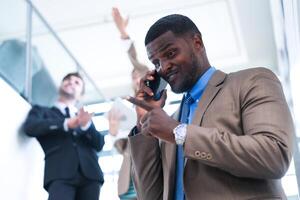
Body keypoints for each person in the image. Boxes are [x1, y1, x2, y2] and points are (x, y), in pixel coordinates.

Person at [126, 14, 295, 200]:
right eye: (156, 63)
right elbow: (150, 196)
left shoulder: (252, 81)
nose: (163, 67)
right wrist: (143, 123)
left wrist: (180, 133)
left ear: (197, 43)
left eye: (170, 54)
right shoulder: (169, 122)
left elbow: (274, 157)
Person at [23, 72, 105, 200]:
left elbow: (99, 144)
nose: (71, 82)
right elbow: (30, 128)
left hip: (91, 175)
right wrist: (65, 123)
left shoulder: (84, 117)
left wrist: (86, 126)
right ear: (60, 86)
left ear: (81, 95)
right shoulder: (41, 111)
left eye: (77, 82)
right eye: (68, 79)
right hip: (59, 173)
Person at [107, 7, 149, 200]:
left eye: (138, 74)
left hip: (150, 171)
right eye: (133, 76)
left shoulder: (154, 96)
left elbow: (135, 60)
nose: (135, 77)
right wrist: (114, 131)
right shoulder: (129, 105)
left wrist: (123, 33)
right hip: (128, 180)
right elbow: (119, 147)